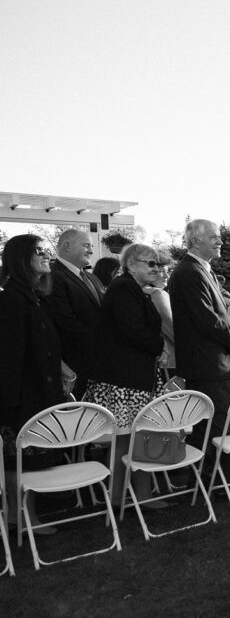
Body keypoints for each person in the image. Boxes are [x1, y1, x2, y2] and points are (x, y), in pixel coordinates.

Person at [167, 219, 230, 495]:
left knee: (212, 424)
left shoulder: (197, 270)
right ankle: (224, 483)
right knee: (220, 424)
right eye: (214, 237)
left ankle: (207, 481)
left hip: (211, 361)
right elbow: (207, 320)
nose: (220, 242)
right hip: (207, 363)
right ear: (195, 241)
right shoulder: (189, 272)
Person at [83, 243, 169, 507]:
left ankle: (133, 495)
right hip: (123, 381)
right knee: (125, 439)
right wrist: (159, 346)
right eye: (150, 263)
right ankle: (122, 497)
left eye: (157, 263)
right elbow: (132, 330)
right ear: (131, 264)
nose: (156, 268)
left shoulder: (133, 289)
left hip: (133, 377)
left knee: (136, 437)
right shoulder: (123, 289)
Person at [0, 235, 73, 533]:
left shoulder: (32, 295)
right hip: (21, 397)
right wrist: (10, 404)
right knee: (19, 460)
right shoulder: (10, 298)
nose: (47, 256)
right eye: (39, 251)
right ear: (20, 258)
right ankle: (21, 517)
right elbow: (9, 354)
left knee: (30, 459)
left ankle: (24, 516)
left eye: (47, 250)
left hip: (38, 392)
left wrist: (61, 368)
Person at [43, 228, 105, 399]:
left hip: (98, 365)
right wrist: (101, 345)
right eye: (86, 245)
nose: (91, 251)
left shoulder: (92, 278)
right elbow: (66, 322)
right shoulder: (53, 277)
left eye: (92, 246)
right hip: (74, 365)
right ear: (67, 246)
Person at [148, 250, 176, 378]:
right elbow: (171, 329)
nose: (166, 276)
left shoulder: (139, 291)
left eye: (168, 271)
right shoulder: (157, 294)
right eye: (162, 271)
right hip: (168, 360)